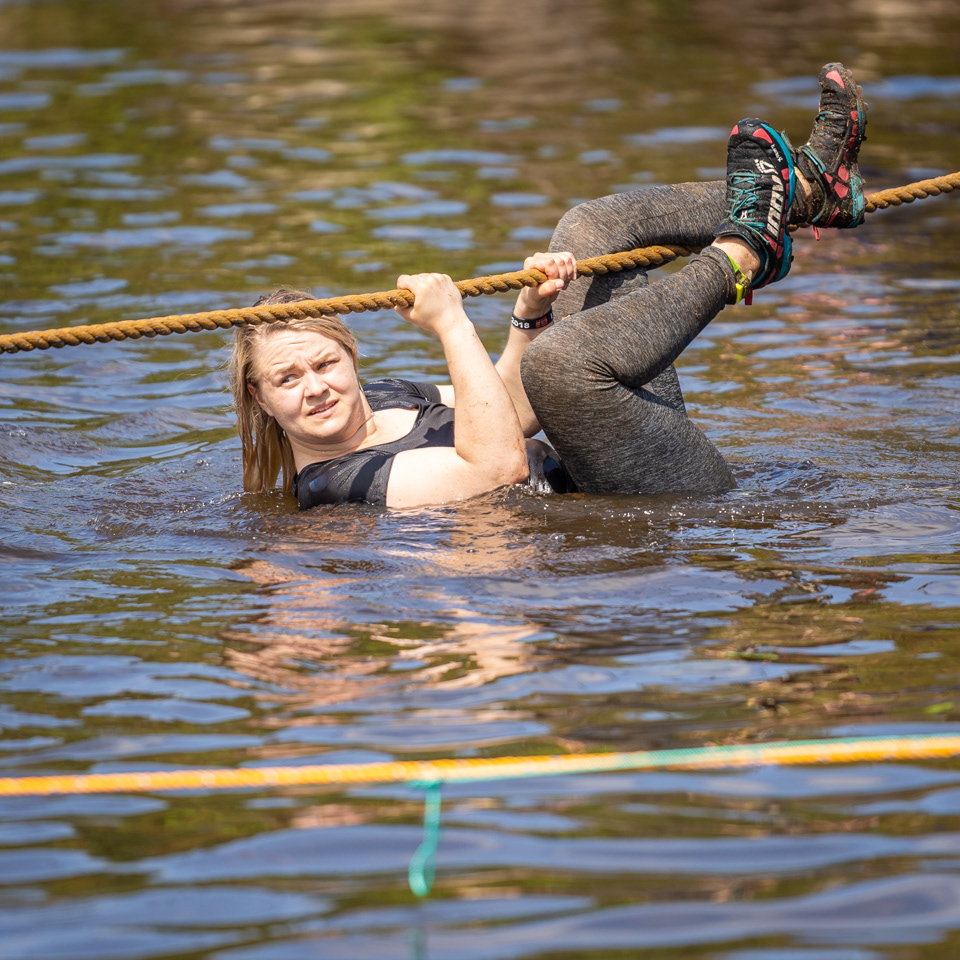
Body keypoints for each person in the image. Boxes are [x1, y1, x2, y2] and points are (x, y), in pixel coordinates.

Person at [231, 63, 866, 510]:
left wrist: (529, 314)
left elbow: (514, 410)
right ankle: (742, 253)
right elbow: (497, 466)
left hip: (624, 439)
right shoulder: (334, 486)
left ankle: (813, 191)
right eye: (288, 379)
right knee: (560, 366)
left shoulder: (388, 395)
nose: (315, 387)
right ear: (260, 398)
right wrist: (452, 323)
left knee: (588, 231)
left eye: (324, 364)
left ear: (351, 356)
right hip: (659, 500)